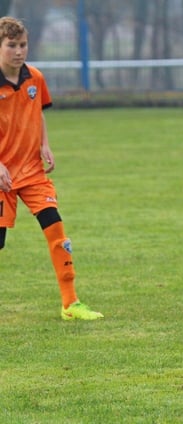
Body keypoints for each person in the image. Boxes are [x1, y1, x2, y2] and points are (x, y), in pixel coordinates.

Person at [0, 17, 103, 321]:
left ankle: (70, 304)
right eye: (11, 45)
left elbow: (38, 113)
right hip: (2, 176)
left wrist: (45, 144)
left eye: (23, 45)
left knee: (57, 232)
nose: (19, 51)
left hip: (32, 172)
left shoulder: (35, 78)